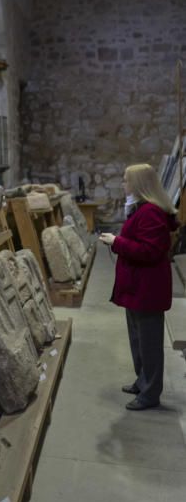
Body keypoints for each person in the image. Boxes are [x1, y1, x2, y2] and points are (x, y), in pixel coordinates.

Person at [99, 163, 178, 411]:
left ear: (139, 184)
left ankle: (150, 393)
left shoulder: (151, 212)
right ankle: (142, 381)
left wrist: (116, 242)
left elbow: (150, 251)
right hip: (137, 287)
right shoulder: (142, 209)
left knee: (150, 343)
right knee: (138, 340)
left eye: (126, 180)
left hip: (147, 289)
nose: (123, 184)